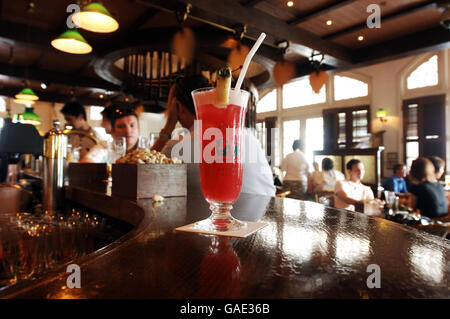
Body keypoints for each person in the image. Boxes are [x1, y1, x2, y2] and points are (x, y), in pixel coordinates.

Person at [155, 75, 275, 197]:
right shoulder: (249, 136)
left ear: (177, 107)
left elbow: (143, 175)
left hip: (215, 211)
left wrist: (169, 125)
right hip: (268, 210)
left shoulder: (176, 149)